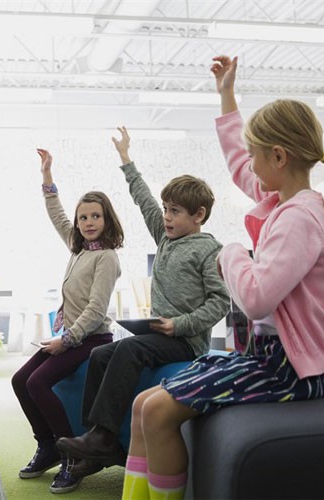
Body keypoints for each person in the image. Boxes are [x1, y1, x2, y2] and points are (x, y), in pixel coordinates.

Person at [117, 54, 324, 500]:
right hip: (270, 358)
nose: (249, 166)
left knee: (159, 413)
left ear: (279, 157)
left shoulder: (298, 217)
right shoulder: (286, 199)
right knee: (141, 405)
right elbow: (240, 166)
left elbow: (257, 298)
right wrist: (226, 96)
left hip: (290, 371)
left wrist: (230, 253)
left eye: (257, 153)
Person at [55, 127, 230, 479]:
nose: (165, 216)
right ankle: (95, 437)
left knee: (127, 352)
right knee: (99, 354)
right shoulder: (166, 237)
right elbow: (143, 198)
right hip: (161, 333)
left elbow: (221, 303)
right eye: (166, 209)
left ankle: (103, 438)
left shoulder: (208, 249)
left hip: (185, 341)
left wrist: (179, 325)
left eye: (175, 211)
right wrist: (126, 159)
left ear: (198, 215)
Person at [10, 148, 124, 493]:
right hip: (71, 336)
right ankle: (47, 447)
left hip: (91, 339)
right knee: (19, 380)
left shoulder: (106, 258)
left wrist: (67, 339)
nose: (88, 222)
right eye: (83, 217)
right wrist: (47, 177)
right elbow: (56, 215)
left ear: (107, 221)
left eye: (95, 216)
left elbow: (95, 310)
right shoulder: (78, 249)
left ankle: (73, 457)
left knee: (37, 383)